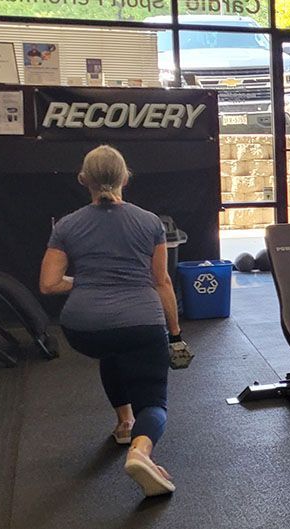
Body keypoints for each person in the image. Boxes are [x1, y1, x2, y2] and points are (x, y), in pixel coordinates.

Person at [39, 145, 182, 497]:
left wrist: (86, 280)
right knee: (155, 403)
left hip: (84, 330)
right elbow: (161, 282)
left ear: (83, 179)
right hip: (141, 325)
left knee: (113, 351)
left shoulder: (67, 225)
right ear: (125, 178)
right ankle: (140, 451)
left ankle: (123, 423)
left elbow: (49, 284)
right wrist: (175, 334)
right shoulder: (150, 222)